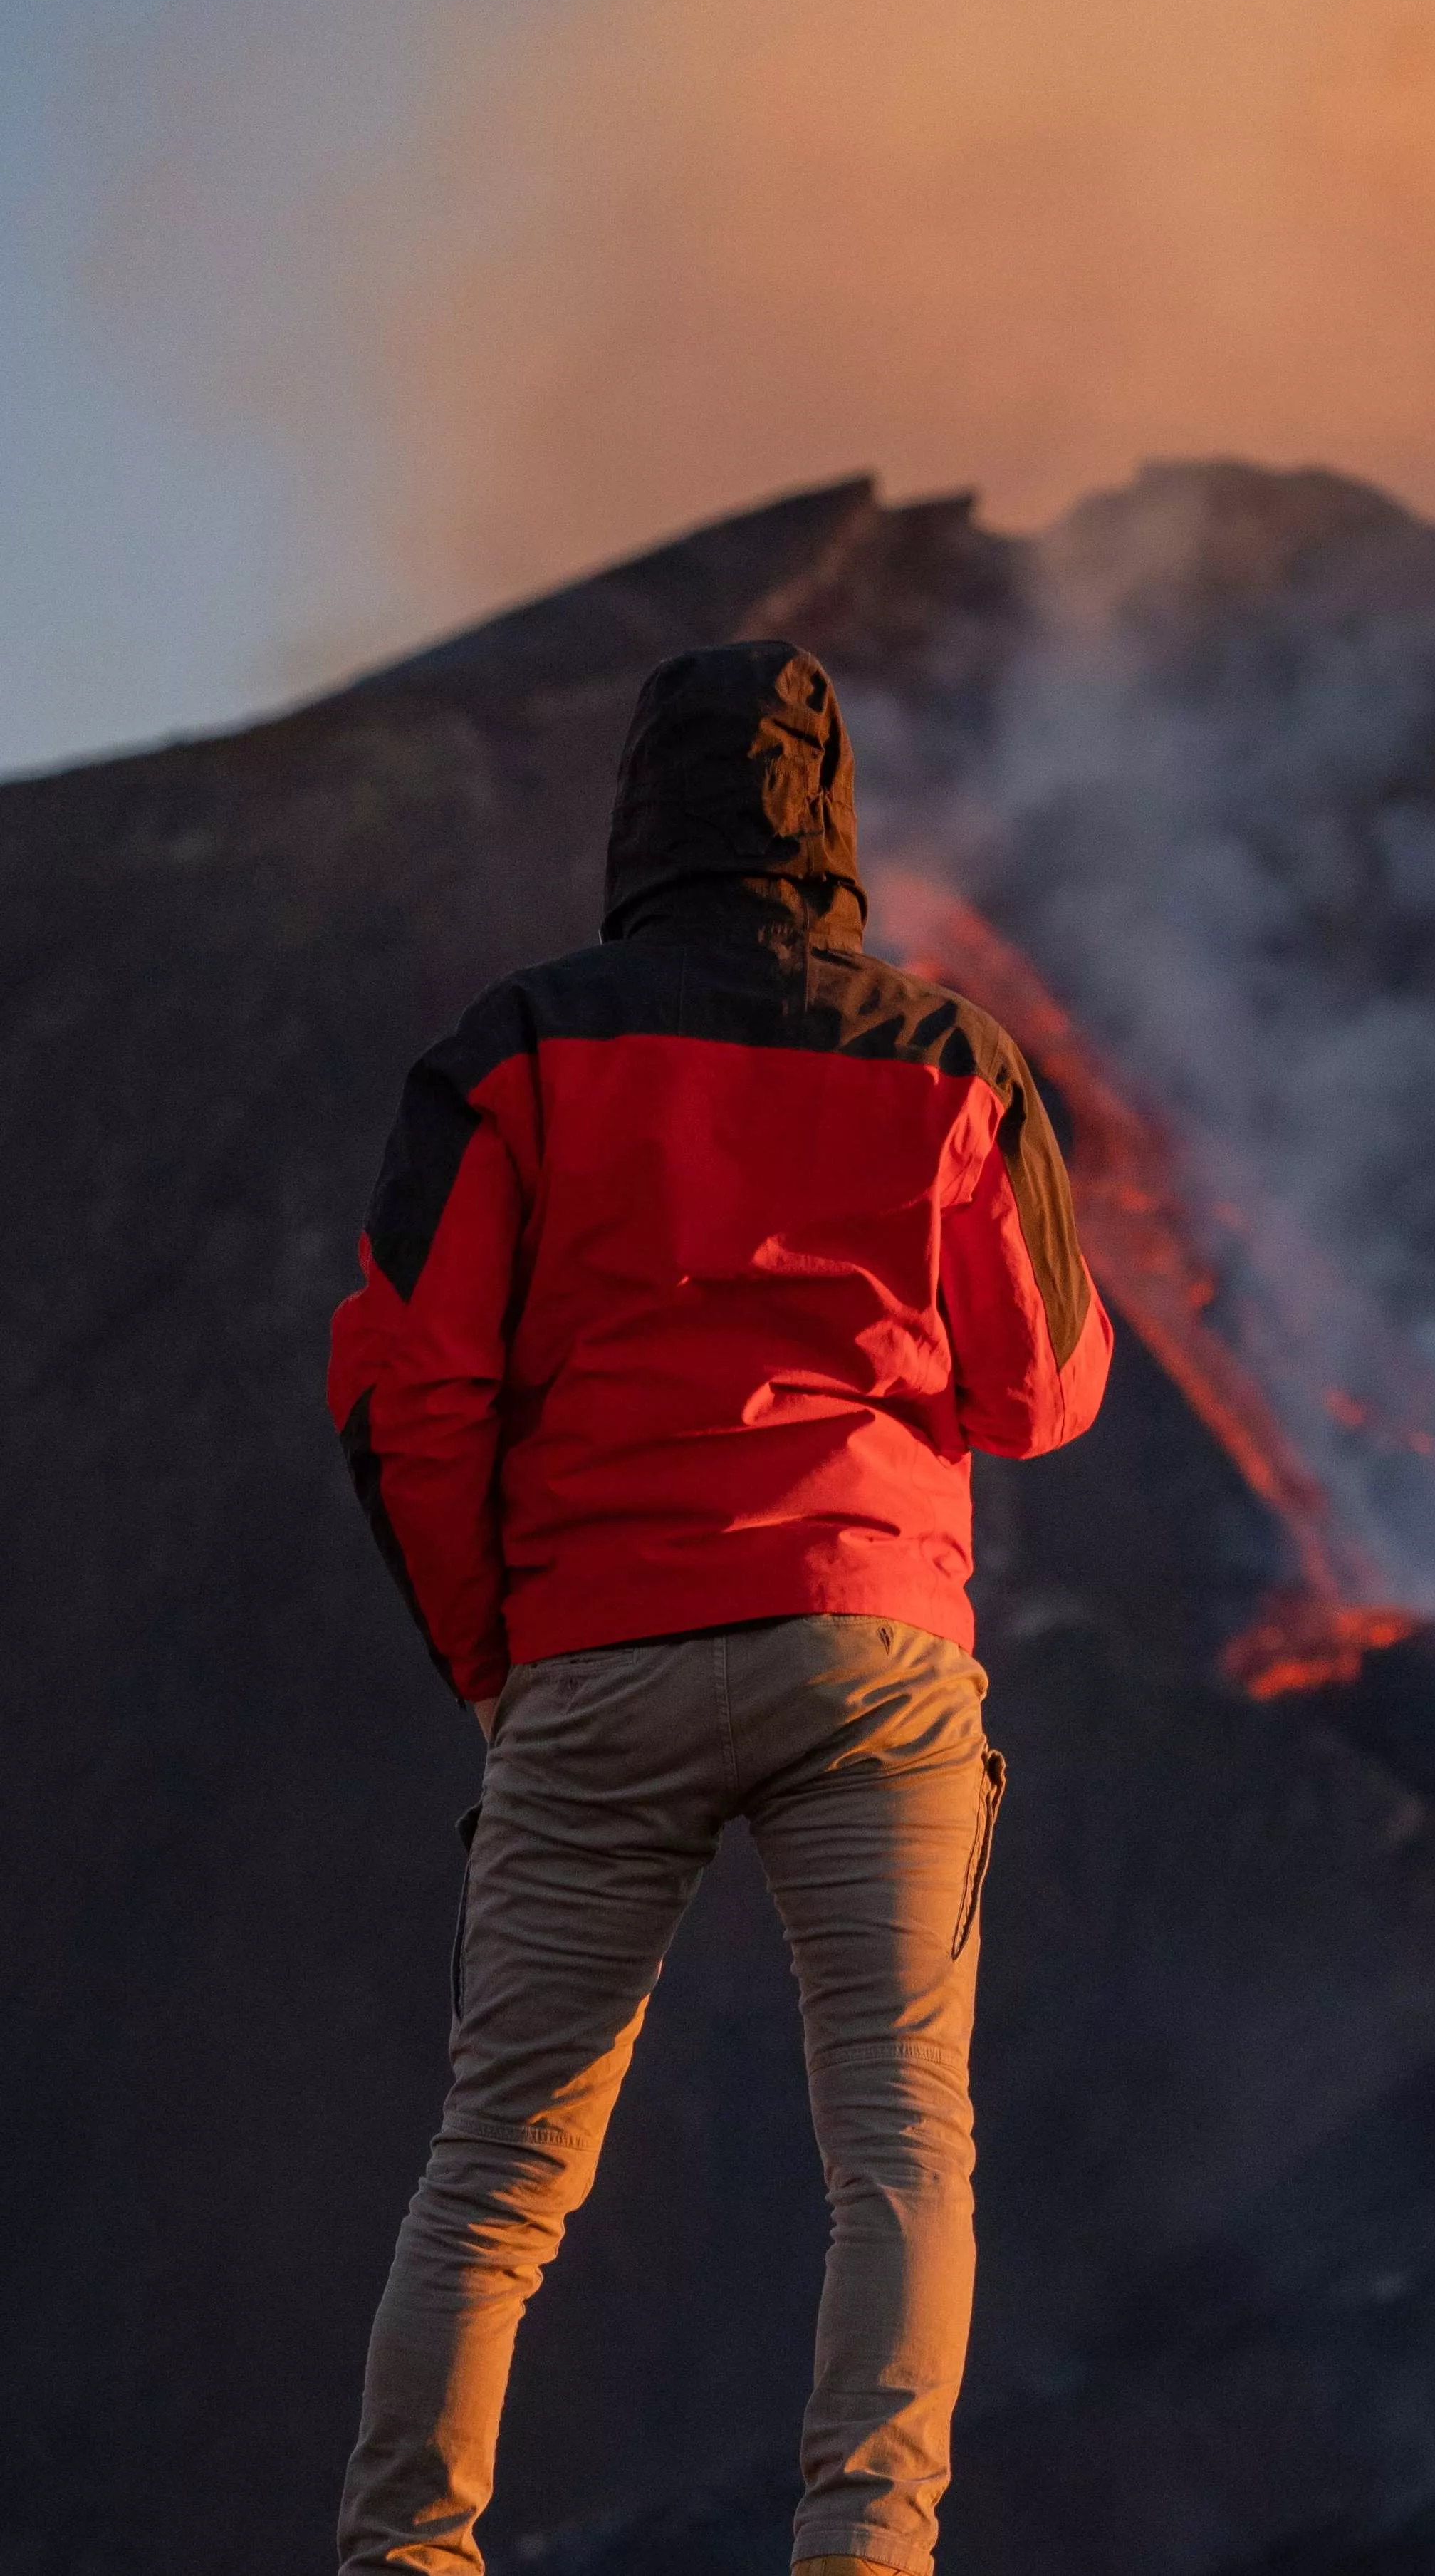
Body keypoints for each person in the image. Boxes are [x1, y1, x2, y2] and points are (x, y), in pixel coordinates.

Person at [325, 640, 1112, 2576]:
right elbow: (1042, 1385)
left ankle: (406, 2556)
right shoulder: (939, 1057)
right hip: (868, 1644)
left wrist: (494, 1662)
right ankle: (863, 2553)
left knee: (502, 2166)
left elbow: (404, 1381)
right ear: (830, 821)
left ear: (637, 818)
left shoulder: (517, 1053)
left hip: (594, 1646)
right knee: (902, 2143)